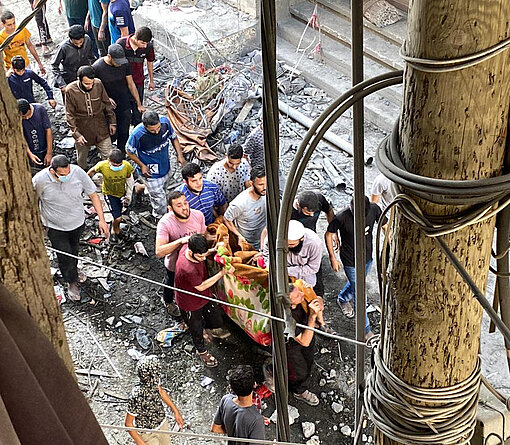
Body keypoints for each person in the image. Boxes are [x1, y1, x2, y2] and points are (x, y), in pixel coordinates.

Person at [32, 155, 109, 300]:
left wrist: (102, 220)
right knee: (64, 255)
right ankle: (71, 281)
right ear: (52, 171)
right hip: (55, 227)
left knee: (74, 250)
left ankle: (73, 269)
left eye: (68, 173)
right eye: (62, 175)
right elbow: (33, 201)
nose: (66, 177)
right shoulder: (40, 180)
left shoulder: (77, 172)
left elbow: (93, 195)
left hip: (77, 223)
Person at [325, 196, 382, 339]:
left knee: (357, 283)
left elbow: (385, 225)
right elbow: (329, 234)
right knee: (360, 292)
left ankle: (343, 298)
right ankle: (365, 331)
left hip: (367, 257)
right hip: (350, 260)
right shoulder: (342, 216)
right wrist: (333, 257)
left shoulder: (374, 209)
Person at [174, 233, 231, 368]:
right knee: (196, 327)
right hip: (190, 302)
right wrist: (222, 273)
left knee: (214, 315)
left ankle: (211, 330)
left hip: (205, 296)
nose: (203, 258)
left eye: (204, 254)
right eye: (200, 256)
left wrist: (214, 249)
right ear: (191, 251)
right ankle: (202, 351)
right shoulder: (187, 268)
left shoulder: (193, 250)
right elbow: (201, 286)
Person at [155, 191, 206, 318]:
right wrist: (180, 241)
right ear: (170, 209)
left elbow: (204, 235)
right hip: (174, 265)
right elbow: (159, 251)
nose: (184, 207)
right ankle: (168, 301)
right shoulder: (165, 223)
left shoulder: (198, 215)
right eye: (179, 205)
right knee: (171, 283)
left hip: (197, 262)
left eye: (185, 202)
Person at [126, 110, 186, 218]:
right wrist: (142, 165)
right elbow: (129, 151)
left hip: (165, 165)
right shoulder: (137, 134)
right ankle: (159, 217)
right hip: (150, 172)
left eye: (158, 128)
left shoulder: (165, 123)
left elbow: (174, 138)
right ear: (145, 126)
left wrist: (180, 155)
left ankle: (139, 188)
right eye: (152, 130)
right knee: (160, 201)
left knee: (164, 189)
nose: (157, 132)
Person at [92, 43, 145, 153]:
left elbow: (131, 83)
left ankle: (122, 152)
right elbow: (94, 88)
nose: (119, 64)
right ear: (109, 57)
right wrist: (105, 98)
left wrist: (138, 103)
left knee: (124, 129)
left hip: (123, 102)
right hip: (107, 106)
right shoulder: (97, 67)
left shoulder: (124, 65)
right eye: (117, 62)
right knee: (110, 132)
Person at [65, 65, 116, 169]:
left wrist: (112, 122)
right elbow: (69, 114)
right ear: (79, 79)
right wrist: (76, 134)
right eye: (86, 84)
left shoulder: (98, 84)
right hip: (82, 128)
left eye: (91, 83)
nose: (89, 86)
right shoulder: (70, 90)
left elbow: (106, 103)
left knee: (108, 156)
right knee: (82, 159)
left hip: (100, 126)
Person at [126, 355, 184, 445]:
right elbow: (128, 424)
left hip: (162, 424)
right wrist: (141, 443)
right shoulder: (137, 396)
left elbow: (161, 392)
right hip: (147, 433)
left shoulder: (154, 381)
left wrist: (175, 411)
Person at [291, 190, 335, 297]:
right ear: (298, 205)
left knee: (316, 269)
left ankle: (318, 294)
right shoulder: (289, 212)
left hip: (311, 241)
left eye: (314, 212)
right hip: (296, 244)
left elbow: (329, 210)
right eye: (307, 212)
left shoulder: (319, 198)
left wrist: (333, 231)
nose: (311, 215)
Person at [87, 148, 134, 243]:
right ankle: (115, 230)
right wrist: (89, 186)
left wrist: (129, 195)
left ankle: (115, 226)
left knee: (119, 213)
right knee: (118, 217)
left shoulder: (126, 166)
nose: (118, 167)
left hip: (122, 192)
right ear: (109, 161)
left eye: (120, 165)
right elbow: (90, 172)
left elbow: (130, 180)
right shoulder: (102, 165)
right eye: (115, 165)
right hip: (109, 194)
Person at [286, 283, 321, 406]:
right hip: (292, 345)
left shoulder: (301, 298)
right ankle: (298, 391)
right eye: (297, 296)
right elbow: (304, 342)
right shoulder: (287, 319)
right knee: (298, 371)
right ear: (291, 304)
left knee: (308, 359)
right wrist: (312, 316)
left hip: (307, 333)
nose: (301, 294)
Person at [211, 365, 265, 444]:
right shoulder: (256, 420)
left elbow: (215, 429)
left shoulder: (226, 400)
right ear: (254, 384)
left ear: (231, 388)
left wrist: (234, 432)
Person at [263, 220, 322, 287]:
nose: (288, 247)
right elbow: (266, 254)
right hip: (278, 277)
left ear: (302, 239)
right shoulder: (272, 238)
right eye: (286, 244)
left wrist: (285, 271)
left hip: (304, 280)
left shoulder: (314, 243)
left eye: (292, 244)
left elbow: (313, 268)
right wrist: (272, 268)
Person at [117, 26, 155, 126]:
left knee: (138, 110)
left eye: (147, 43)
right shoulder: (121, 44)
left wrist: (151, 80)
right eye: (142, 43)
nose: (145, 46)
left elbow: (150, 63)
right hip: (123, 82)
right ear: (135, 38)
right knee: (124, 110)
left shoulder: (148, 47)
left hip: (138, 82)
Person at [223, 166, 266, 250]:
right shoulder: (240, 203)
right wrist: (239, 236)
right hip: (249, 243)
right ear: (251, 183)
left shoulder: (268, 193)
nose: (264, 188)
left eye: (266, 183)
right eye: (260, 184)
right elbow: (227, 219)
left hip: (265, 239)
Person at [51, 25, 96, 101]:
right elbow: (54, 66)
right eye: (75, 43)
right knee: (70, 100)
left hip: (84, 75)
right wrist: (62, 85)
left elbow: (91, 57)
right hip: (69, 76)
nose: (79, 45)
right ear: (70, 39)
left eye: (81, 42)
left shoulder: (87, 40)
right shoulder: (63, 47)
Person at [18, 99, 53, 171]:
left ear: (30, 109)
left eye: (27, 115)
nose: (26, 118)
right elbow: (21, 137)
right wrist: (30, 154)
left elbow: (48, 130)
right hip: (30, 150)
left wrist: (49, 153)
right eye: (24, 118)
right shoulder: (17, 117)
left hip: (44, 147)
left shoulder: (39, 109)